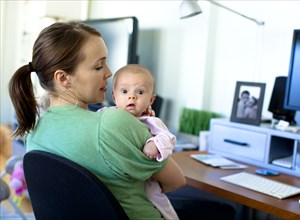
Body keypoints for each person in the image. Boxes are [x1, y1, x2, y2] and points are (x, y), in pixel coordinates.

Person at [8, 21, 186, 219]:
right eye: (99, 66)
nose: (109, 73)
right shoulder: (112, 124)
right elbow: (176, 182)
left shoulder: (33, 130)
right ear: (63, 78)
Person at [102, 64, 178, 219]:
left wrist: (154, 144)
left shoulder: (150, 121)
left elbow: (167, 138)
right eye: (124, 91)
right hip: (120, 179)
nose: (132, 96)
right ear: (114, 96)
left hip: (148, 180)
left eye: (140, 92)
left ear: (151, 99)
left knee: (158, 201)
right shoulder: (106, 114)